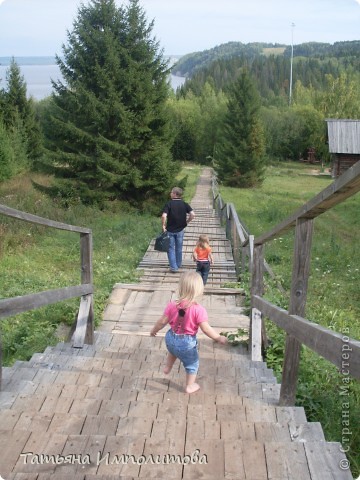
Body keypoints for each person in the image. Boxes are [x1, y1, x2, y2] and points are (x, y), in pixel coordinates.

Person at [150, 271, 227, 394]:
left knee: (173, 350)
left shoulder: (172, 305)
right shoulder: (199, 310)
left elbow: (162, 321)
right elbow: (206, 329)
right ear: (199, 290)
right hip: (186, 344)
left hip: (170, 338)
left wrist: (154, 330)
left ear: (180, 287)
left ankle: (167, 367)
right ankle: (190, 386)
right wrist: (218, 337)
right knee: (192, 364)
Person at [162, 187, 195, 273]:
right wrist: (187, 222)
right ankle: (178, 264)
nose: (170, 193)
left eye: (171, 192)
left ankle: (174, 267)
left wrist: (163, 225)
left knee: (170, 248)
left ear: (175, 194)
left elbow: (164, 216)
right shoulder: (184, 204)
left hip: (170, 230)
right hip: (180, 229)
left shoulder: (169, 204)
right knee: (179, 248)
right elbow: (192, 214)